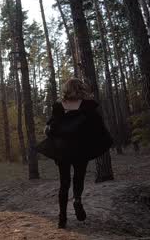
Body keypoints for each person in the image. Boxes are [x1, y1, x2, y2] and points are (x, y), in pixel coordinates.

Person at [36, 78, 112, 229]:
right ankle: (77, 199)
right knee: (78, 177)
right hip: (80, 148)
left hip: (62, 149)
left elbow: (51, 127)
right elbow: (97, 128)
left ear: (66, 89)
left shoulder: (58, 106)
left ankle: (62, 218)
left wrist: (50, 131)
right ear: (80, 88)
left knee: (64, 182)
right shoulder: (88, 106)